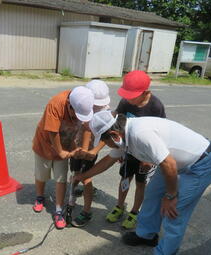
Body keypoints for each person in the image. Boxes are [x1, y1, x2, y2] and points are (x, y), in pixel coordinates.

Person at [74, 110, 211, 255]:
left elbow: (169, 164)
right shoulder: (123, 135)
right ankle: (146, 235)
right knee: (152, 195)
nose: (107, 145)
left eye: (105, 141)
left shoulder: (140, 134)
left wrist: (171, 196)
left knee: (173, 212)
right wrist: (83, 176)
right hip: (173, 163)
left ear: (114, 134)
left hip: (199, 164)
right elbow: (108, 161)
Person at [107, 70, 166, 230]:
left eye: (131, 95)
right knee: (125, 178)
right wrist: (121, 147)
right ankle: (119, 206)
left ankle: (134, 211)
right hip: (129, 151)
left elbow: (160, 134)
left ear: (145, 92)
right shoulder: (126, 102)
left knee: (141, 183)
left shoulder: (156, 106)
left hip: (146, 155)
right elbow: (119, 124)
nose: (127, 98)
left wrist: (149, 160)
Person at [32, 86, 94, 229]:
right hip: (45, 144)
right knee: (42, 174)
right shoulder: (56, 104)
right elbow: (53, 133)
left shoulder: (84, 100)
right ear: (69, 106)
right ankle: (40, 197)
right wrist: (60, 152)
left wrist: (82, 150)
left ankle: (58, 210)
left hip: (66, 143)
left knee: (61, 178)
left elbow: (86, 128)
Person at [67, 80, 111, 227]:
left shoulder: (106, 111)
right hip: (77, 146)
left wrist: (93, 150)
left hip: (91, 150)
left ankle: (86, 211)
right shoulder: (81, 103)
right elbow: (79, 127)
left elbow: (107, 135)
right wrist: (75, 146)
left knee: (86, 178)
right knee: (74, 173)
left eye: (98, 104)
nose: (96, 107)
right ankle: (71, 200)